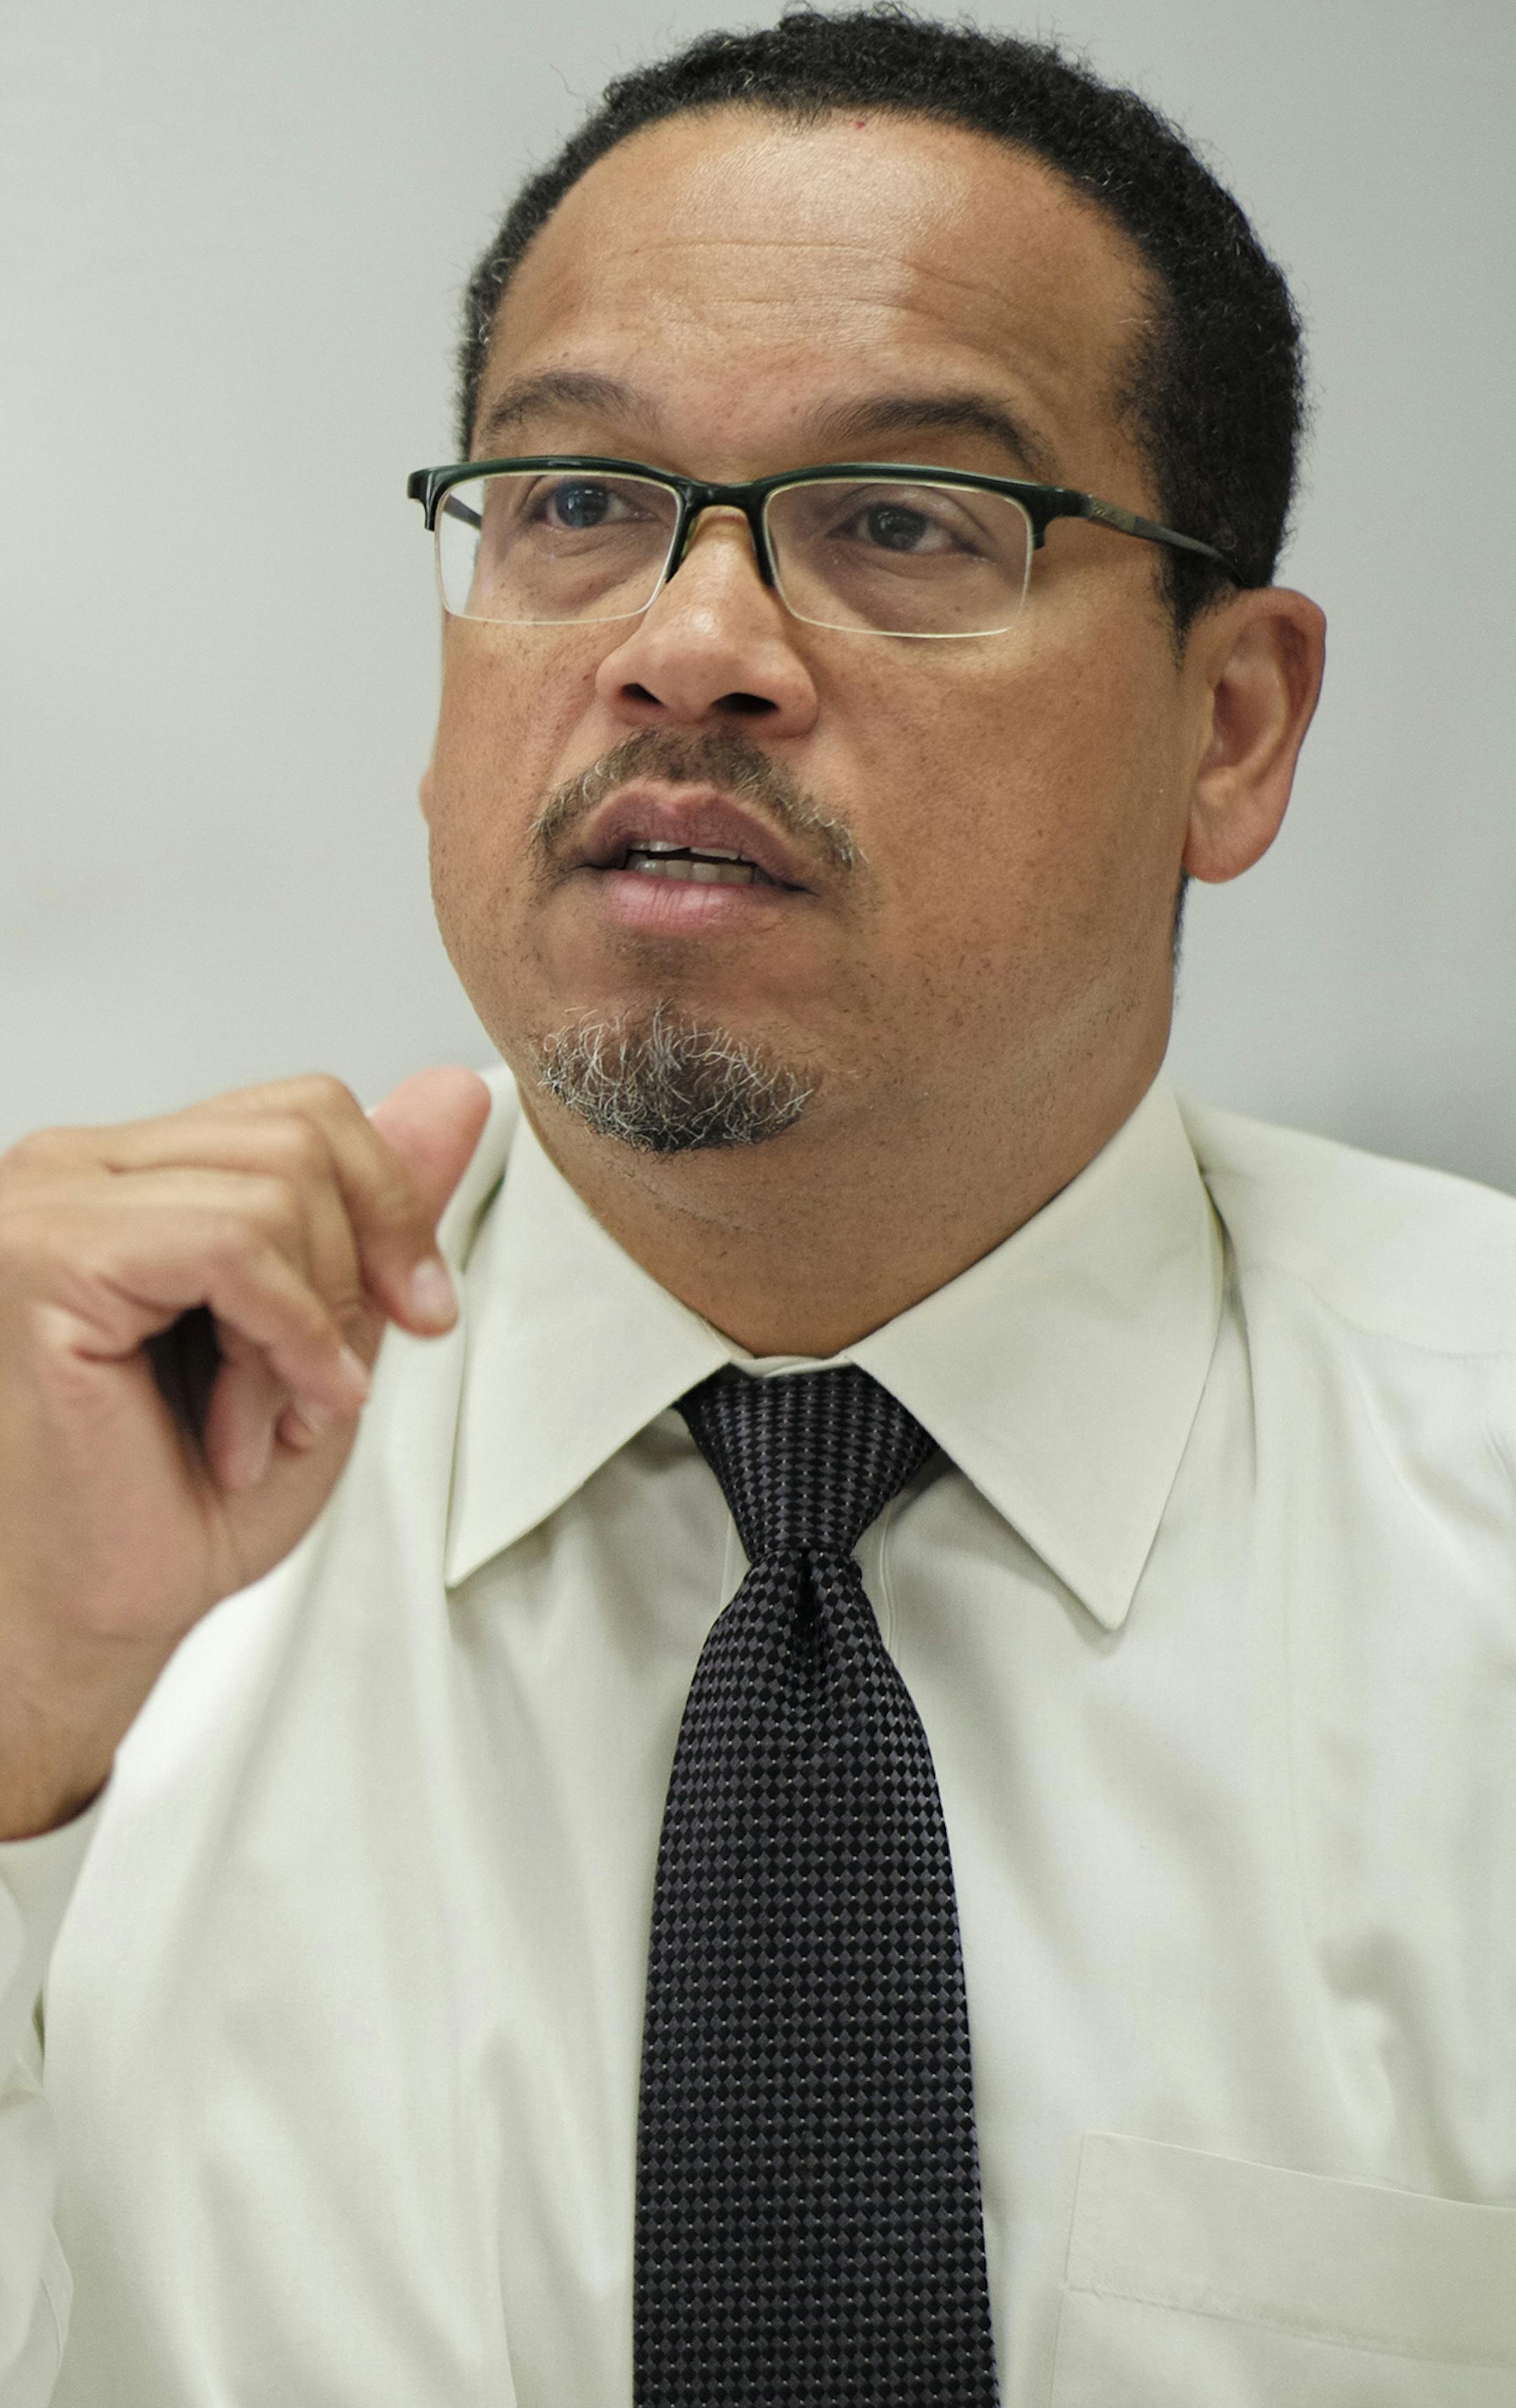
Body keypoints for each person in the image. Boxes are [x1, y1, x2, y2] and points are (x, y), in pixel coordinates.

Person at [1, 8, 1514, 2402]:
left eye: (906, 519)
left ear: (1232, 727)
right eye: (576, 506)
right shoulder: (72, 1501)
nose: (685, 648)